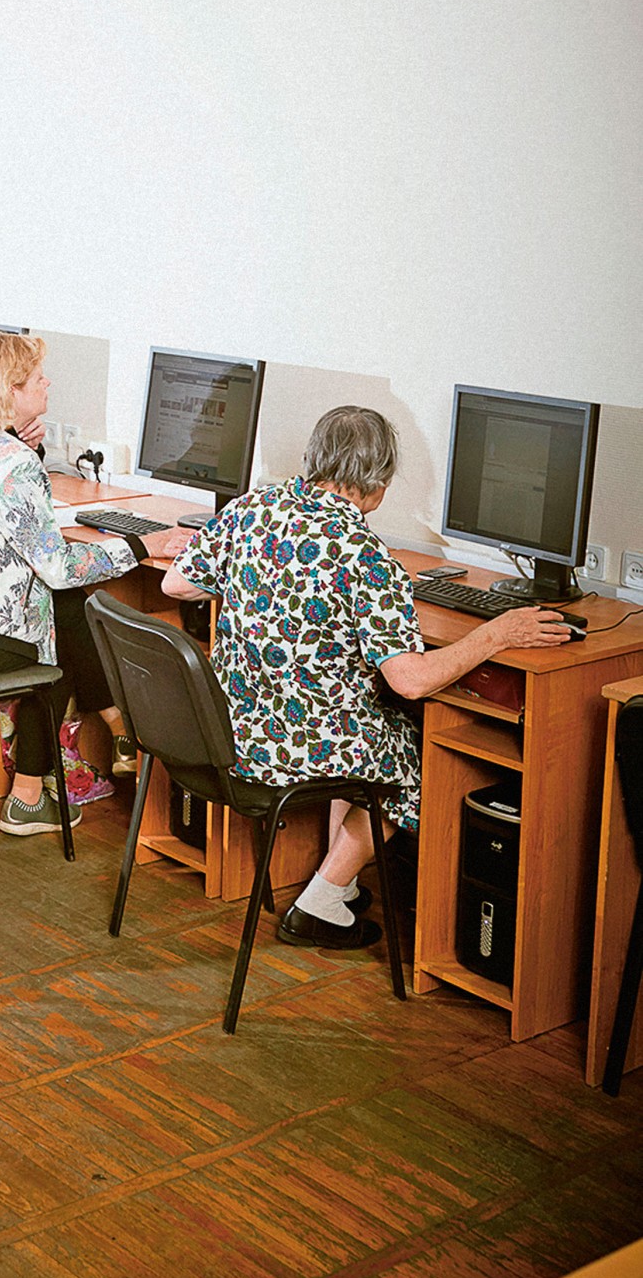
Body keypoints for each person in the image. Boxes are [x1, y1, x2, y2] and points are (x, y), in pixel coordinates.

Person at [162, 404, 574, 950]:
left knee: (364, 720)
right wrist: (495, 634)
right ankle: (322, 900)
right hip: (283, 750)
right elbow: (410, 681)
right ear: (377, 483)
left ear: (314, 458)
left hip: (223, 732)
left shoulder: (253, 506)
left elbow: (175, 585)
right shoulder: (365, 555)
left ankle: (342, 881)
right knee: (412, 753)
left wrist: (254, 583)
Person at [0, 331, 180, 838]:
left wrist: (23, 446)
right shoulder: (13, 463)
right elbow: (57, 566)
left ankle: (117, 726)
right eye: (37, 379)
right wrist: (144, 546)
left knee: (68, 608)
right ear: (10, 390)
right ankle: (31, 794)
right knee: (56, 641)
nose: (47, 384)